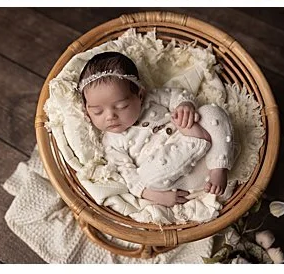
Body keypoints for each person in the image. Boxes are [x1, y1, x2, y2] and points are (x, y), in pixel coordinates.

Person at [79, 51, 238, 205]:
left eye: (121, 106)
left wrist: (185, 106)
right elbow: (130, 177)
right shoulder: (111, 142)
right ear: (87, 111)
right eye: (97, 111)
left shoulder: (152, 98)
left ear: (139, 95)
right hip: (177, 172)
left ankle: (219, 167)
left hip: (209, 156)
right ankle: (196, 140)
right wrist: (154, 196)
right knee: (147, 177)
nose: (109, 116)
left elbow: (179, 95)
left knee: (211, 112)